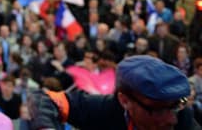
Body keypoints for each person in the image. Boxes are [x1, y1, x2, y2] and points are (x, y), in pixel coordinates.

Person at [28, 55, 201, 129]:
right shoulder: (104, 110)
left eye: (176, 106)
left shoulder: (183, 118)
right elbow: (45, 99)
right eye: (158, 109)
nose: (171, 118)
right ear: (124, 100)